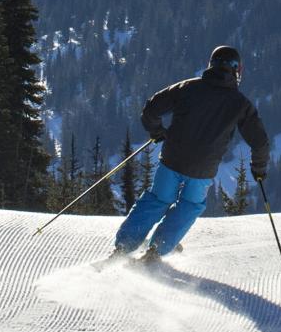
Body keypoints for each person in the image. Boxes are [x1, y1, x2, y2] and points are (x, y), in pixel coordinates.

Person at [113, 45, 270, 262]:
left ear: (211, 65)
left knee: (158, 199)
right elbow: (260, 142)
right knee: (189, 206)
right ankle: (157, 250)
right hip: (203, 170)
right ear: (237, 71)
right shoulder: (240, 104)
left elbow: (151, 109)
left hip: (172, 160)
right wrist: (259, 168)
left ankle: (123, 247)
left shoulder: (188, 87)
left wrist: (158, 132)